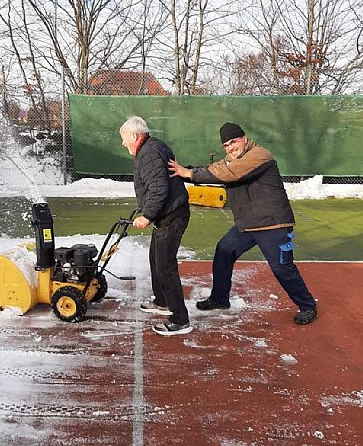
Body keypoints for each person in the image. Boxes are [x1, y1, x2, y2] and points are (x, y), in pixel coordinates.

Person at [168, 122, 317, 325]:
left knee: (282, 268)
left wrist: (189, 173)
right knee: (224, 251)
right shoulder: (231, 160)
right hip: (247, 224)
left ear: (244, 139)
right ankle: (220, 299)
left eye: (233, 142)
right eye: (226, 145)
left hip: (272, 224)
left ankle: (307, 305)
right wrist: (185, 172)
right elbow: (215, 170)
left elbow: (231, 174)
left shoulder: (259, 155)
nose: (230, 148)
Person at [119, 116, 192, 336]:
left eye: (124, 139)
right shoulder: (152, 147)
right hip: (168, 214)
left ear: (134, 136)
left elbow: (159, 188)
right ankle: (162, 302)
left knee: (165, 266)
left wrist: (147, 215)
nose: (123, 144)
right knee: (155, 259)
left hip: (172, 215)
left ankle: (180, 319)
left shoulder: (149, 152)